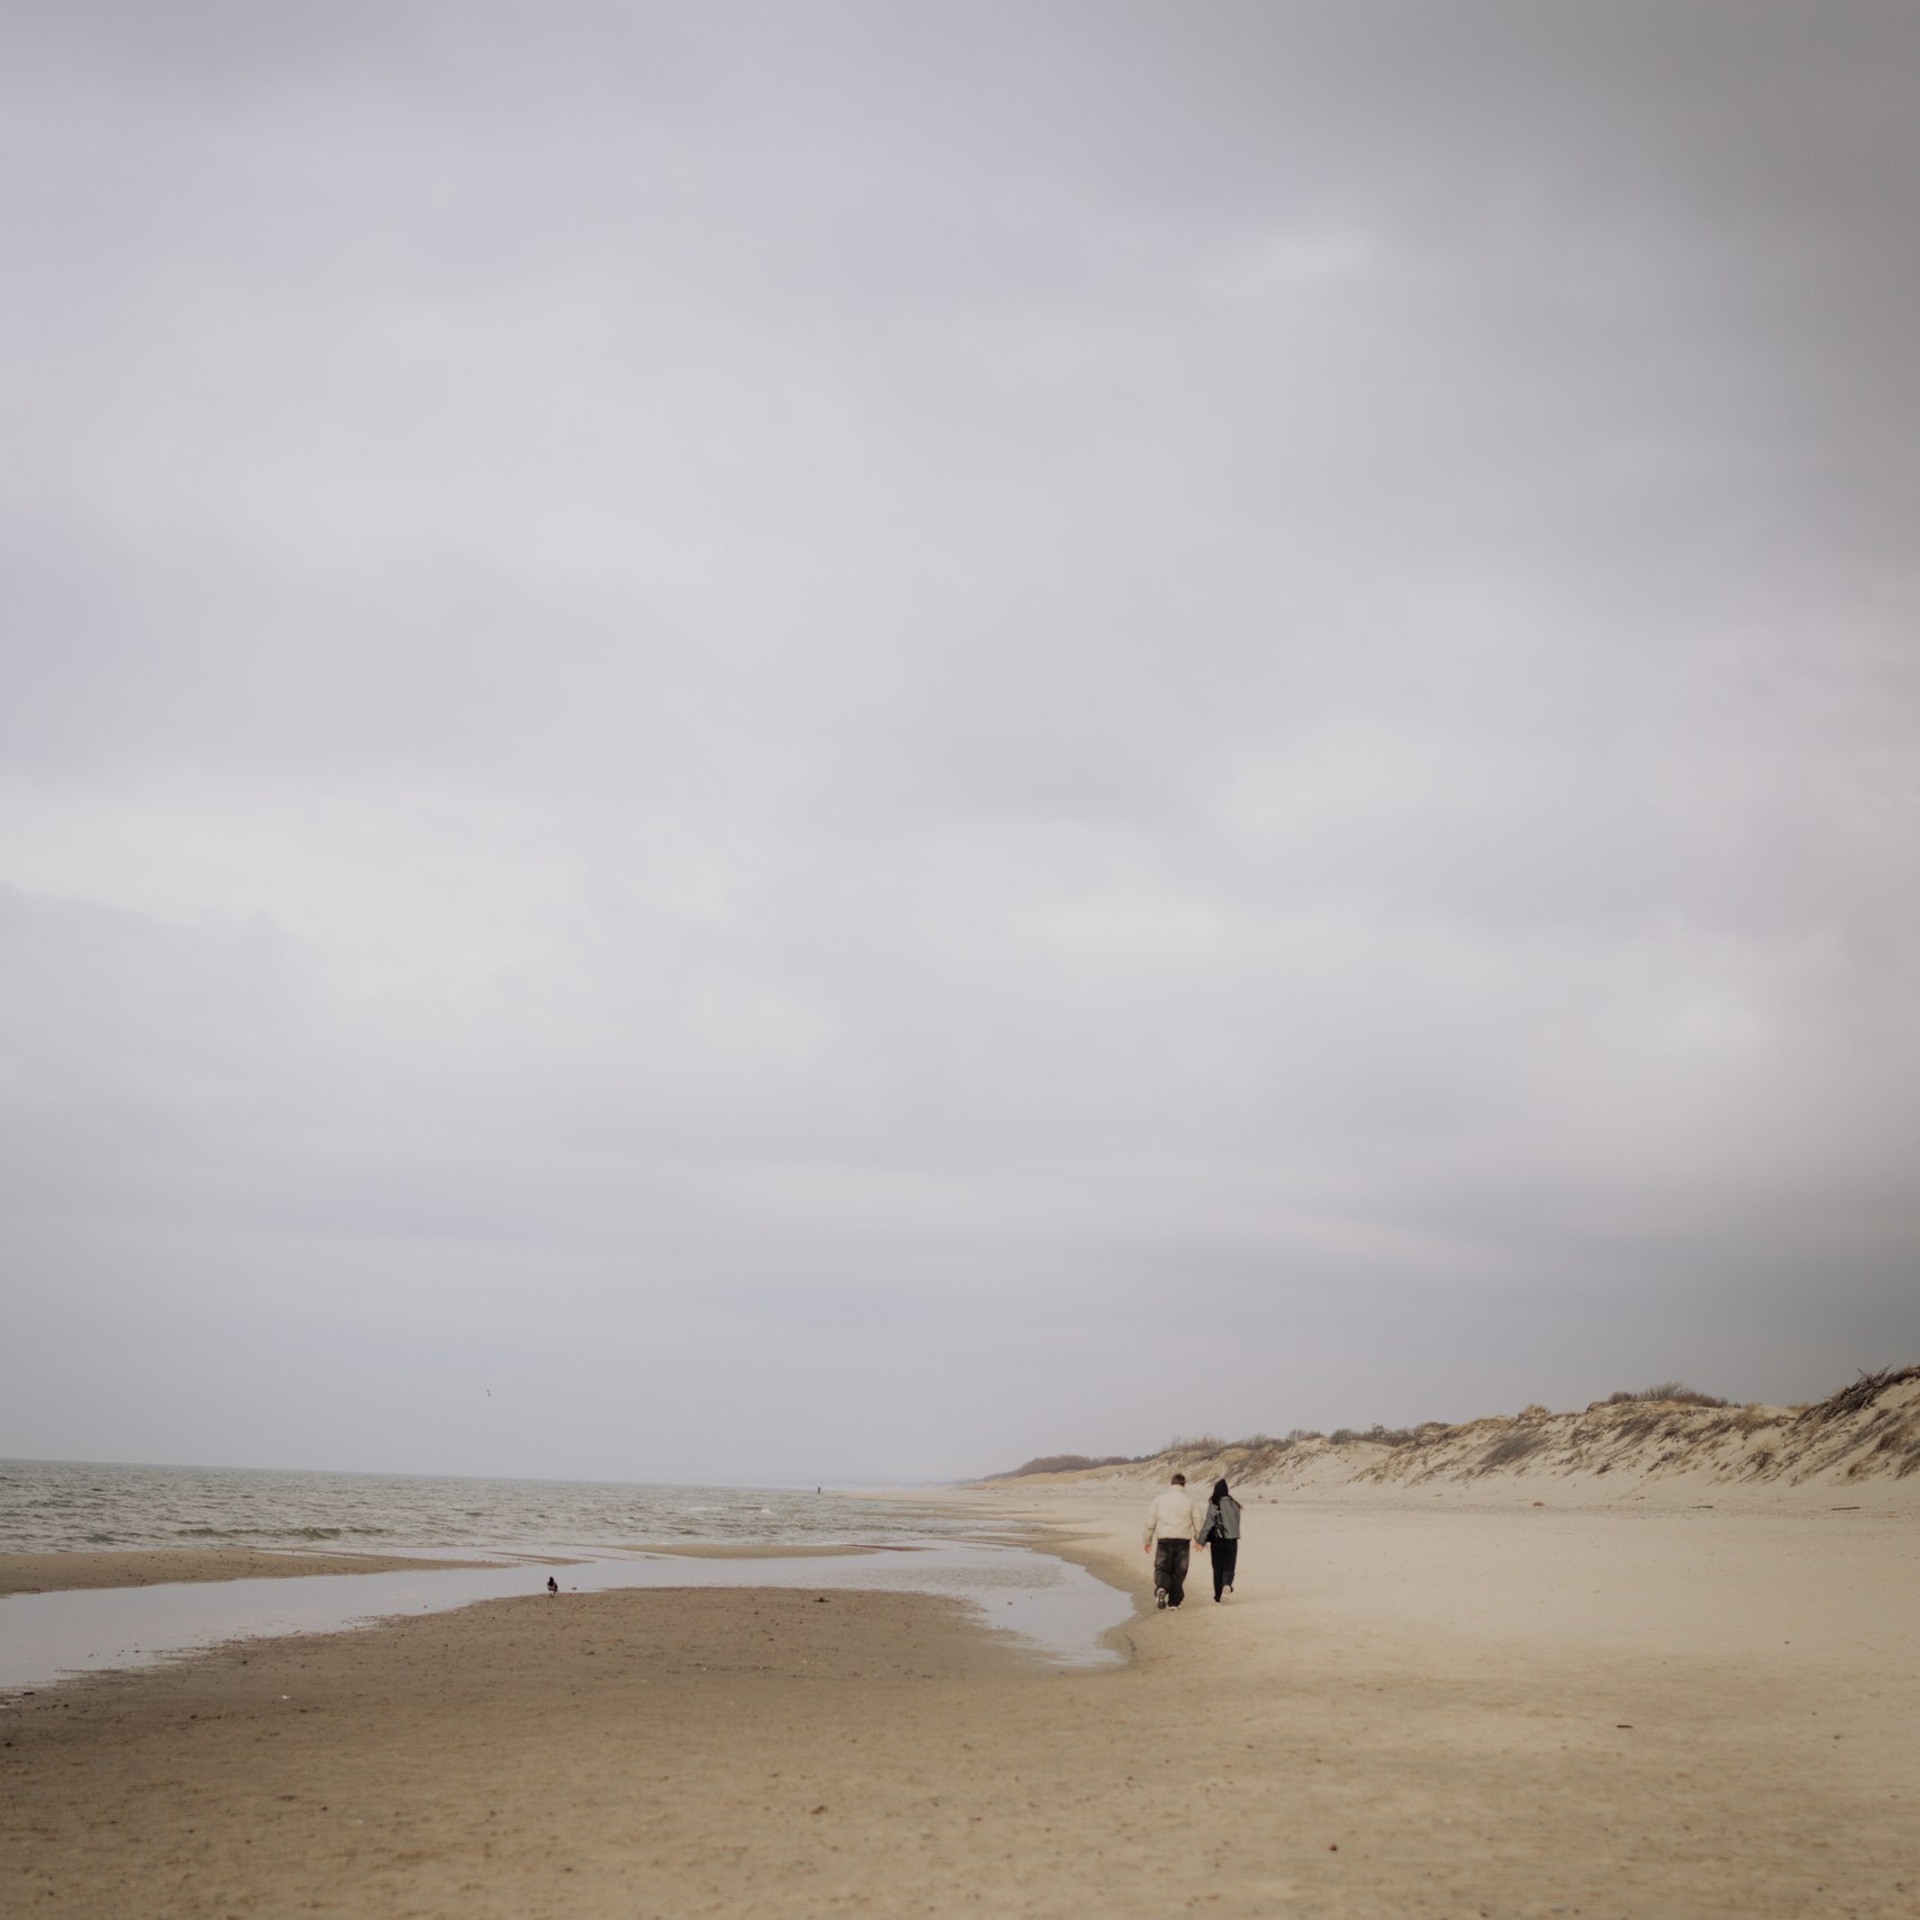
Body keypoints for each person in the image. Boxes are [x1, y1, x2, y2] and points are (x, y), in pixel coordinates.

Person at [1142, 1472, 1201, 1609]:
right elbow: (1198, 1520)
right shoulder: (1189, 1501)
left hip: (1164, 1539)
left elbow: (1150, 1522)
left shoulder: (1159, 1500)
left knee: (1162, 1568)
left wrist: (1147, 1541)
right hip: (1183, 1541)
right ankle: (1174, 1602)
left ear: (1171, 1484)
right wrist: (1199, 1539)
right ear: (1183, 1485)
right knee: (1179, 1572)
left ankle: (1162, 1588)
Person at [1195, 1477, 1242, 1602]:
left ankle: (1218, 1596)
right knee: (1229, 1567)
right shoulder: (1235, 1505)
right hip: (1233, 1541)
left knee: (1217, 1569)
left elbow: (1208, 1525)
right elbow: (1236, 1522)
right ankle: (1227, 1584)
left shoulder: (1214, 1505)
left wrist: (1200, 1541)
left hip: (1218, 1542)